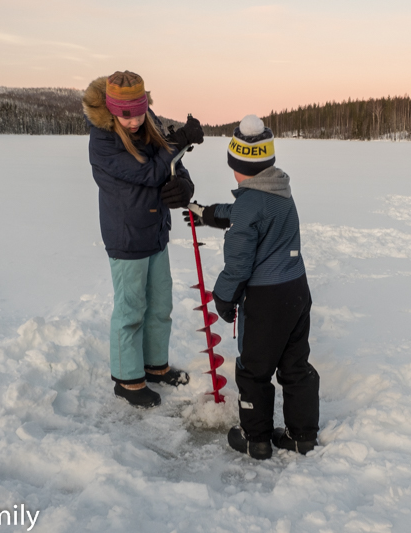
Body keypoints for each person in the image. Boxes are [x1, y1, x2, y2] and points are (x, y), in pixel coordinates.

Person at [186, 115, 319, 459]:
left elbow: (239, 262)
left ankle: (255, 438)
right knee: (295, 366)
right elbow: (244, 212)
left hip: (266, 299)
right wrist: (209, 213)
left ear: (239, 166)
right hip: (296, 292)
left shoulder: (249, 203)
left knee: (253, 370)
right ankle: (301, 436)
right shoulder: (280, 191)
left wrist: (224, 297)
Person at [83, 70, 203, 408]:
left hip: (156, 231)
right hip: (127, 235)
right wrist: (181, 141)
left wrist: (185, 185)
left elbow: (171, 164)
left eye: (140, 111)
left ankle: (154, 366)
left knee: (160, 305)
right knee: (131, 309)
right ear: (111, 110)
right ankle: (127, 378)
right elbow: (147, 171)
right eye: (126, 115)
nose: (135, 121)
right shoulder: (103, 141)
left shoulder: (148, 121)